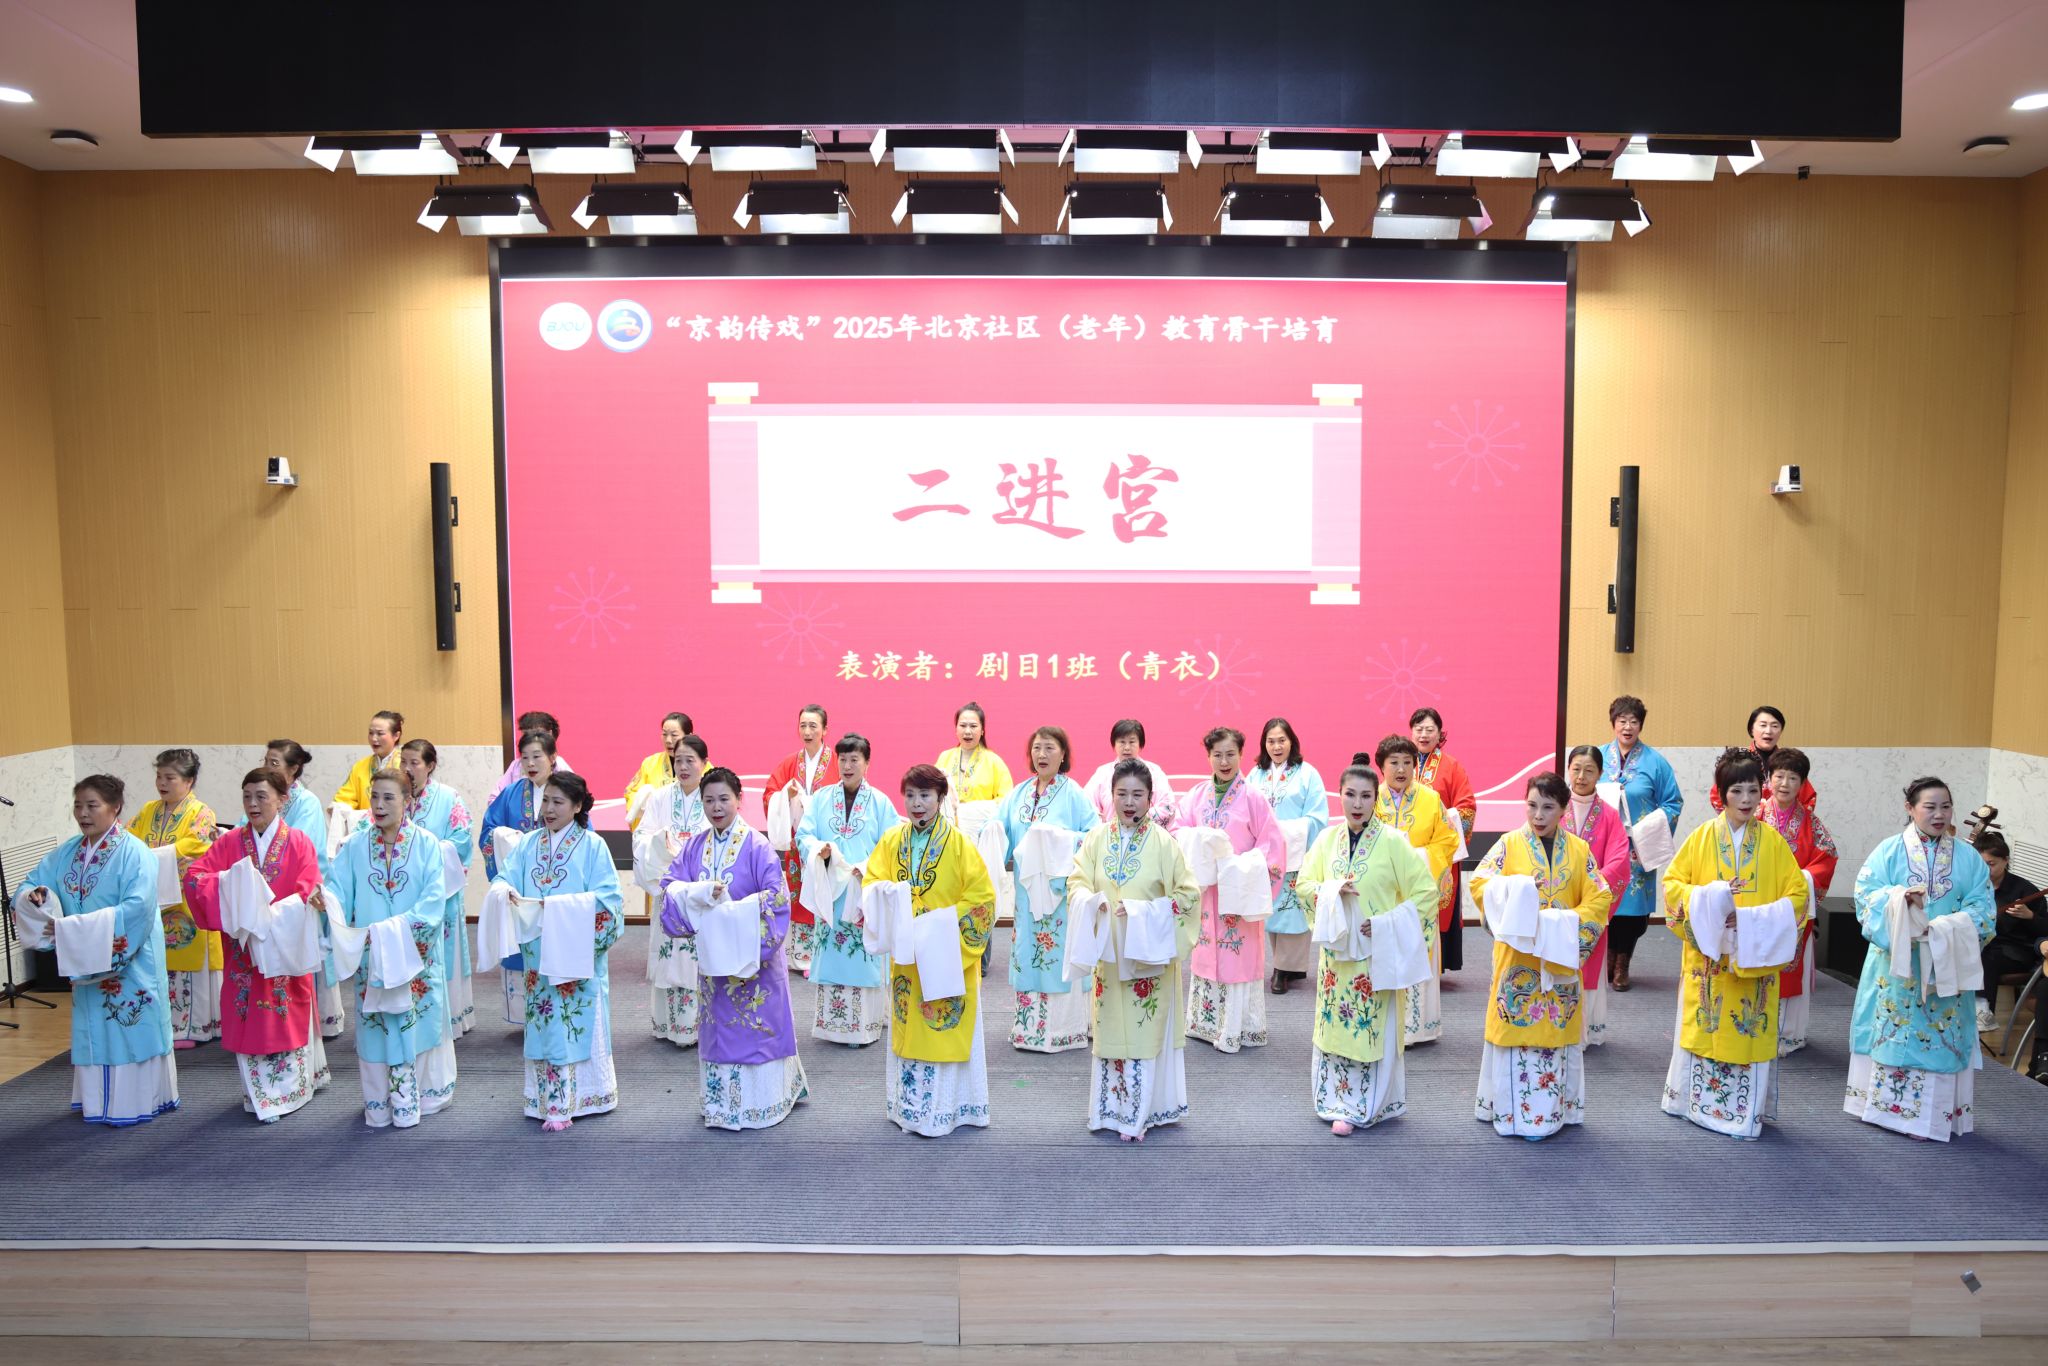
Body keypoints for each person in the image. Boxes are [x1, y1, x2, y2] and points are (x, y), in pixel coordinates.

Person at [1659, 750, 1808, 1140]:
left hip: (1753, 961)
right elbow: (1673, 887)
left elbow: (1798, 896)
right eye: (1736, 791)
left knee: (1748, 1028)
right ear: (1722, 793)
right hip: (1709, 962)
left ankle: (1743, 1114)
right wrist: (1710, 902)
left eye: (1753, 791)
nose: (1746, 800)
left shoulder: (1773, 842)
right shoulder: (1702, 837)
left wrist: (1749, 920)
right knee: (1705, 1024)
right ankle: (1693, 1105)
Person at [14, 775, 177, 1126]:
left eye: (92, 805)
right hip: (84, 957)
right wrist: (36, 895)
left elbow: (137, 908)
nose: (83, 814)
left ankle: (138, 1102)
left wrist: (77, 930)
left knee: (130, 1026)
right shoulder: (68, 852)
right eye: (78, 806)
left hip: (132, 961)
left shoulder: (135, 853)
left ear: (115, 807)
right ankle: (97, 1102)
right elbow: (33, 881)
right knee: (95, 1027)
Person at [1846, 777, 1996, 1141]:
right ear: (1910, 809)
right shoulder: (1888, 851)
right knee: (1893, 1032)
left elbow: (1984, 909)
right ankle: (1883, 1109)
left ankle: (1928, 1120)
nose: (1939, 814)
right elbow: (1865, 896)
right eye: (1930, 807)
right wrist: (1900, 903)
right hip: (1896, 965)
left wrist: (1945, 929)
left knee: (1936, 1039)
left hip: (1945, 963)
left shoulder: (1969, 858)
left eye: (1946, 806)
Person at [1294, 758, 1438, 1134]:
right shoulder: (1327, 841)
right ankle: (1334, 1099)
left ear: (1377, 799)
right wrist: (1330, 891)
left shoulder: (1393, 842)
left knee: (1370, 1027)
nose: (1357, 804)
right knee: (1336, 1028)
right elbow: (1303, 886)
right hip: (1337, 959)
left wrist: (1388, 925)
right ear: (1339, 796)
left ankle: (1372, 1102)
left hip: (1376, 956)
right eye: (1350, 795)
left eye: (1365, 796)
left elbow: (1426, 892)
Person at [659, 767, 807, 1131]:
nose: (716, 807)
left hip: (755, 964)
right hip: (714, 963)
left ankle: (763, 1103)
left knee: (757, 1028)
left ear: (740, 800)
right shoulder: (695, 846)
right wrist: (697, 894)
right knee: (720, 1029)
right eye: (709, 800)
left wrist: (736, 916)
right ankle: (722, 1105)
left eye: (724, 799)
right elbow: (669, 887)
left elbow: (776, 899)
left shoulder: (758, 846)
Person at [1469, 772, 1614, 1139]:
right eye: (1532, 805)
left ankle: (1553, 1114)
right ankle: (1509, 1113)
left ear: (1563, 809)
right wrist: (1516, 891)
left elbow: (1600, 896)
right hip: (1518, 962)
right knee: (1516, 1030)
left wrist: (1562, 924)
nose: (1538, 815)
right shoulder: (1508, 844)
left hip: (1559, 961)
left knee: (1555, 1031)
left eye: (1548, 807)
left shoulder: (1579, 851)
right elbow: (1480, 883)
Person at [179, 769, 328, 1122]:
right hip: (243, 952)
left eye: (261, 796)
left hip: (284, 948)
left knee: (286, 1013)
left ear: (282, 799)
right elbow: (196, 877)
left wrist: (273, 915)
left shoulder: (299, 842)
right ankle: (261, 1096)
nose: (252, 803)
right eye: (247, 796)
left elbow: (308, 886)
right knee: (248, 1016)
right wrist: (232, 888)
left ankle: (291, 1091)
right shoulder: (230, 842)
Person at [1066, 759, 1201, 1141]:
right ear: (1110, 796)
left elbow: (1189, 896)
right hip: (1110, 956)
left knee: (1144, 1032)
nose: (1129, 802)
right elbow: (1076, 881)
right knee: (1111, 1030)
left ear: (1150, 798)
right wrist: (1090, 901)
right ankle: (1109, 1110)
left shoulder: (1165, 844)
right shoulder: (1096, 839)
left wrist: (1145, 912)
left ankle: (1140, 1114)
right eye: (1122, 794)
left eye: (1137, 795)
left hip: (1148, 959)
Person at [861, 764, 998, 1137]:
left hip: (946, 955)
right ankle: (910, 1109)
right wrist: (890, 897)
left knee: (943, 1030)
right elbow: (872, 882)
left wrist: (937, 924)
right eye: (910, 795)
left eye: (925, 795)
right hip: (908, 959)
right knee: (911, 1026)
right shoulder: (892, 841)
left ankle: (946, 1111)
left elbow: (982, 900)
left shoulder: (960, 845)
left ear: (940, 798)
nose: (916, 803)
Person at [320, 768, 453, 1129]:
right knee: (376, 1027)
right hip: (372, 956)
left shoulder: (427, 844)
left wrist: (396, 934)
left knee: (417, 1022)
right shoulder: (355, 846)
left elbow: (433, 901)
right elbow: (337, 890)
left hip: (414, 958)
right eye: (374, 796)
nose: (378, 805)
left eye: (388, 797)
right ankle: (380, 1104)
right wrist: (326, 902)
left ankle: (420, 1098)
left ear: (407, 801)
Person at [492, 772, 623, 1131]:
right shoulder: (528, 844)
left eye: (558, 802)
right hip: (538, 955)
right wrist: (504, 891)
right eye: (545, 800)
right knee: (545, 1023)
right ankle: (549, 1100)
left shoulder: (593, 846)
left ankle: (587, 1096)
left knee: (574, 1018)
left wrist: (559, 909)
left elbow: (610, 901)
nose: (548, 809)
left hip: (576, 956)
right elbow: (505, 876)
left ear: (577, 806)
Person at [1179, 726, 1285, 1054]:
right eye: (1217, 755)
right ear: (1208, 757)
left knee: (1236, 958)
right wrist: (1198, 842)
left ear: (1241, 755)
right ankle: (1204, 1024)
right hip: (1207, 893)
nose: (1224, 762)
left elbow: (1273, 846)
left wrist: (1238, 868)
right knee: (1206, 954)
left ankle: (1235, 1028)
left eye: (1230, 754)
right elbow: (1178, 831)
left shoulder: (1254, 798)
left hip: (1240, 893)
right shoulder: (1196, 796)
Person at [796, 734, 902, 1046]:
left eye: (854, 759)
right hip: (830, 890)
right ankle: (831, 1026)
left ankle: (864, 1025)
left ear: (867, 763)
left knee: (863, 957)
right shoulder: (821, 799)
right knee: (832, 956)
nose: (847, 765)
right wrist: (819, 850)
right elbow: (804, 835)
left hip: (862, 889)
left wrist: (866, 867)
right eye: (842, 759)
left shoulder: (880, 802)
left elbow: (891, 845)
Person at [999, 725, 1100, 1052]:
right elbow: (1000, 830)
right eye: (1037, 748)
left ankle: (1063, 1031)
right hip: (1026, 896)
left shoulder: (1074, 794)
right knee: (1028, 953)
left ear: (1063, 754)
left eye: (1049, 748)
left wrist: (1056, 841)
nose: (1042, 754)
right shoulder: (1018, 793)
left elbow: (1095, 836)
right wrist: (990, 832)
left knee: (1057, 956)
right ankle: (1028, 1030)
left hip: (1059, 897)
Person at [129, 748, 221, 1049]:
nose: (162, 783)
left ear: (189, 780)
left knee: (188, 965)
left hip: (186, 900)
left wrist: (154, 856)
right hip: (155, 900)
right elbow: (130, 839)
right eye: (159, 776)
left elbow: (197, 845)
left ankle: (194, 1027)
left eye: (170, 777)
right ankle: (164, 1024)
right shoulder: (148, 810)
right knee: (159, 964)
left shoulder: (201, 813)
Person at [1374, 735, 1458, 1045]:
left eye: (1407, 763)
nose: (1401, 769)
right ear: (1381, 766)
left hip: (1417, 894)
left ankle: (1417, 1028)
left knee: (1417, 951)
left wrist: (1416, 856)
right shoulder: (1372, 797)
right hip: (1383, 893)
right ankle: (1384, 1025)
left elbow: (1447, 841)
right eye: (1394, 763)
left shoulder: (1431, 799)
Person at [1758, 748, 1839, 1055]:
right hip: (1757, 906)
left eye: (1793, 778)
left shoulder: (1811, 823)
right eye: (1779, 776)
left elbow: (1827, 857)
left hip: (1793, 909)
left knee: (1791, 969)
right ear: (1769, 779)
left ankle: (1788, 1034)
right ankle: (1753, 1029)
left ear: (1803, 784)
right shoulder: (1755, 814)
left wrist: (1800, 880)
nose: (1785, 784)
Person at [1601, 695, 1683, 992]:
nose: (1627, 727)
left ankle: (1623, 962)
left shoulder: (1655, 763)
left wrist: (1647, 830)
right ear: (1613, 723)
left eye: (1633, 721)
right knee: (1604, 901)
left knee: (1633, 910)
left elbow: (1673, 803)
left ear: (1641, 725)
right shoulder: (1598, 756)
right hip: (1604, 846)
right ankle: (1608, 957)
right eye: (1622, 721)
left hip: (1638, 846)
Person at [266, 738, 347, 1039]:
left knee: (307, 952)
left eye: (274, 763)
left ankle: (318, 1019)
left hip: (301, 886)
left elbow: (301, 845)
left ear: (294, 768)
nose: (267, 767)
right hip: (272, 883)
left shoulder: (307, 802)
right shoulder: (267, 797)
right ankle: (278, 1018)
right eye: (266, 761)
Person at [398, 739, 478, 1039]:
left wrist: (425, 856)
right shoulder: (396, 795)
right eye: (403, 761)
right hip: (404, 891)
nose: (407, 768)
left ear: (430, 766)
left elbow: (461, 840)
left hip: (439, 890)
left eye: (414, 762)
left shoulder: (448, 798)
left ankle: (448, 1019)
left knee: (440, 956)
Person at [635, 732, 710, 1047]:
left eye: (690, 760)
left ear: (704, 763)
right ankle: (667, 1024)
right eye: (678, 761)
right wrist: (659, 843)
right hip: (669, 889)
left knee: (697, 958)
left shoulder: (713, 794)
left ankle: (698, 1027)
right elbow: (642, 835)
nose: (683, 767)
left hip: (698, 893)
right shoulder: (660, 797)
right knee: (668, 955)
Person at [482, 728, 558, 1024]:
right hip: (520, 887)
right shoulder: (511, 793)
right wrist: (506, 839)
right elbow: (488, 832)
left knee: (554, 947)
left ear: (552, 757)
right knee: (520, 944)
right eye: (524, 758)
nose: (531, 763)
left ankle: (555, 1014)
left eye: (537, 756)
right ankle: (524, 1017)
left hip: (556, 888)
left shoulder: (566, 791)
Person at [1249, 717, 1327, 996]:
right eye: (1271, 741)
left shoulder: (1308, 774)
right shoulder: (1255, 775)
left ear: (1291, 741)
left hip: (1296, 854)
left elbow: (1317, 816)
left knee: (1293, 912)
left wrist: (1288, 832)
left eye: (1282, 740)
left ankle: (1283, 968)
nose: (1276, 746)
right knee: (1272, 912)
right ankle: (1289, 966)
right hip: (1266, 856)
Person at [937, 701, 1014, 978]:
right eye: (963, 725)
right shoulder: (945, 758)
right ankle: (949, 957)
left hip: (980, 843)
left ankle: (979, 960)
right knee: (949, 896)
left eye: (973, 726)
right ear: (955, 728)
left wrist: (971, 811)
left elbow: (1005, 802)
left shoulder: (994, 762)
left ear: (983, 730)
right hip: (949, 842)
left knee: (979, 896)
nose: (967, 731)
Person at [1563, 745, 1632, 1047]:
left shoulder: (1609, 815)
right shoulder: (1554, 808)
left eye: (1589, 770)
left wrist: (1592, 888)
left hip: (1591, 905)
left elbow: (1619, 860)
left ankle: (1586, 1030)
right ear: (1568, 770)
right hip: (1559, 903)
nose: (1581, 776)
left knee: (1589, 964)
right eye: (1576, 769)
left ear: (1600, 774)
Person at [768, 703, 838, 975]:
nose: (807, 732)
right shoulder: (790, 763)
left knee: (825, 893)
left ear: (825, 730)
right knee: (798, 895)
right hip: (798, 843)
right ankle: (800, 956)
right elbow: (770, 793)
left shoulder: (837, 761)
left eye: (813, 726)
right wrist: (785, 796)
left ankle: (823, 955)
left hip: (825, 843)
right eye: (803, 726)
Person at [1411, 708, 1477, 974]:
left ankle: (1436, 964)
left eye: (1430, 730)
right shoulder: (1403, 764)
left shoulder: (1452, 766)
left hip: (1439, 852)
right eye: (1418, 729)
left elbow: (1467, 808)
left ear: (1440, 734)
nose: (1423, 735)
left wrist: (1438, 821)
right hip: (1408, 850)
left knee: (1438, 906)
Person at [1975, 832, 2046, 1036]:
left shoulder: (2025, 890)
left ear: (2005, 860)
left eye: (1991, 864)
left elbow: (2045, 930)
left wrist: (2030, 916)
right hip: (1984, 945)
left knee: (1986, 951)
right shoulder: (1974, 887)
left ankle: (1982, 1010)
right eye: (1980, 864)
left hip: (2018, 952)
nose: (1985, 870)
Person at [1710, 705, 1817, 813]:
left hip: (1783, 822)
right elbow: (1718, 797)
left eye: (1775, 726)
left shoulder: (1789, 761)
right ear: (1751, 729)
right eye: (1763, 725)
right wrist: (1740, 817)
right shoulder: (1737, 761)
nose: (1768, 731)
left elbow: (1808, 799)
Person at [1082, 719, 1176, 828]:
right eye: (1122, 742)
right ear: (1114, 744)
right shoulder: (1102, 773)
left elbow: (1167, 806)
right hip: (1110, 834)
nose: (1127, 747)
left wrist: (1137, 820)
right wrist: (1106, 827)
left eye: (1132, 742)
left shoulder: (1154, 772)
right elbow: (1086, 805)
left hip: (1146, 833)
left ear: (1140, 744)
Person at [623, 711, 694, 826]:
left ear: (689, 737)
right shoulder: (650, 763)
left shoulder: (701, 766)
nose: (668, 740)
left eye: (674, 735)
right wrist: (645, 804)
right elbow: (631, 793)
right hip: (654, 828)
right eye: (664, 734)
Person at [487, 710, 574, 800]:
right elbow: (495, 798)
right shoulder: (516, 765)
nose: (530, 764)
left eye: (536, 756)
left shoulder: (560, 765)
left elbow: (576, 797)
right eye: (525, 735)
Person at [333, 709, 405, 811]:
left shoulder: (406, 765)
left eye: (380, 733)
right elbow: (344, 799)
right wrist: (340, 808)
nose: (374, 738)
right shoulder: (360, 766)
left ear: (396, 735)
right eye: (371, 733)